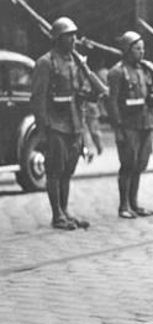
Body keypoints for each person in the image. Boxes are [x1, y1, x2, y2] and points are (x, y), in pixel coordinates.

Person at [30, 17, 98, 230]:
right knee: (55, 171)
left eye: (74, 35)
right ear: (58, 38)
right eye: (69, 36)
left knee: (68, 170)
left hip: (74, 123)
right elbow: (38, 98)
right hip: (55, 124)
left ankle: (65, 209)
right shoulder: (45, 62)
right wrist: (42, 130)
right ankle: (57, 214)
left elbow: (82, 91)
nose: (74, 40)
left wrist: (92, 90)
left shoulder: (75, 62)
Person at [107, 31, 153, 219]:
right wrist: (118, 127)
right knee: (127, 165)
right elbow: (111, 102)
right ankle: (123, 205)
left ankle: (134, 203)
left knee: (139, 165)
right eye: (137, 48)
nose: (141, 52)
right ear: (127, 50)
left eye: (143, 48)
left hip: (144, 123)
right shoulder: (117, 72)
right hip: (127, 125)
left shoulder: (143, 70)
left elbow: (149, 93)